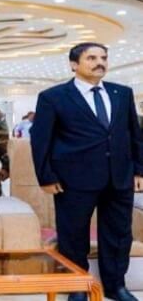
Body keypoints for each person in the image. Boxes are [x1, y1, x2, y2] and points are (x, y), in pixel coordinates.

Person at [30, 42, 143, 301]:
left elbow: (134, 135)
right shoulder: (53, 97)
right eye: (91, 58)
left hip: (119, 177)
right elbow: (41, 139)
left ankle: (116, 287)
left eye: (103, 57)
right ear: (74, 64)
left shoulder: (122, 93)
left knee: (118, 234)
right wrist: (46, 176)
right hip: (73, 179)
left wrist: (139, 170)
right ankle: (77, 287)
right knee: (73, 236)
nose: (99, 62)